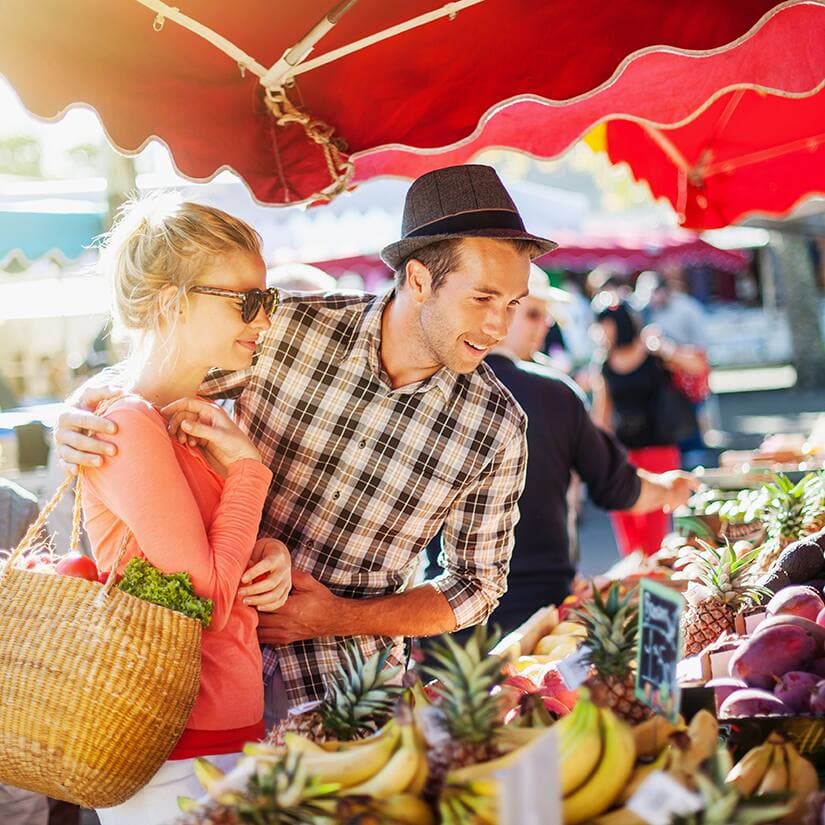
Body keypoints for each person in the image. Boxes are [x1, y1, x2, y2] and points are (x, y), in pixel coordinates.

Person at [53, 164, 556, 713]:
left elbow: (476, 587)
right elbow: (160, 378)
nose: (499, 328)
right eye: (482, 299)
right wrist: (80, 409)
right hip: (204, 673)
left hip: (349, 696)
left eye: (511, 304)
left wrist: (336, 615)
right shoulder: (286, 328)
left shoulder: (497, 426)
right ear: (417, 279)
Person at [72, 197, 292, 824]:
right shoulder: (126, 424)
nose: (263, 321)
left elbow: (216, 564)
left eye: (267, 301)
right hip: (175, 750)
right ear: (171, 300)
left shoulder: (197, 419)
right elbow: (206, 595)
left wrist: (269, 558)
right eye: (245, 302)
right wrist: (249, 474)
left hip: (222, 733)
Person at [427, 267, 697, 632]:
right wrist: (670, 489)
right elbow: (617, 486)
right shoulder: (552, 393)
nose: (545, 326)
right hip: (535, 608)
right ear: (499, 313)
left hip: (442, 611)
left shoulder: (430, 389)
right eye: (534, 313)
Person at [591, 299, 697, 557]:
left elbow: (696, 367)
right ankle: (636, 587)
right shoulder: (605, 363)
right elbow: (601, 415)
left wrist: (665, 349)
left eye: (604, 325)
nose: (600, 332)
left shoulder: (653, 353)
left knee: (653, 535)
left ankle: (651, 587)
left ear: (619, 324)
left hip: (659, 451)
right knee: (628, 535)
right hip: (624, 455)